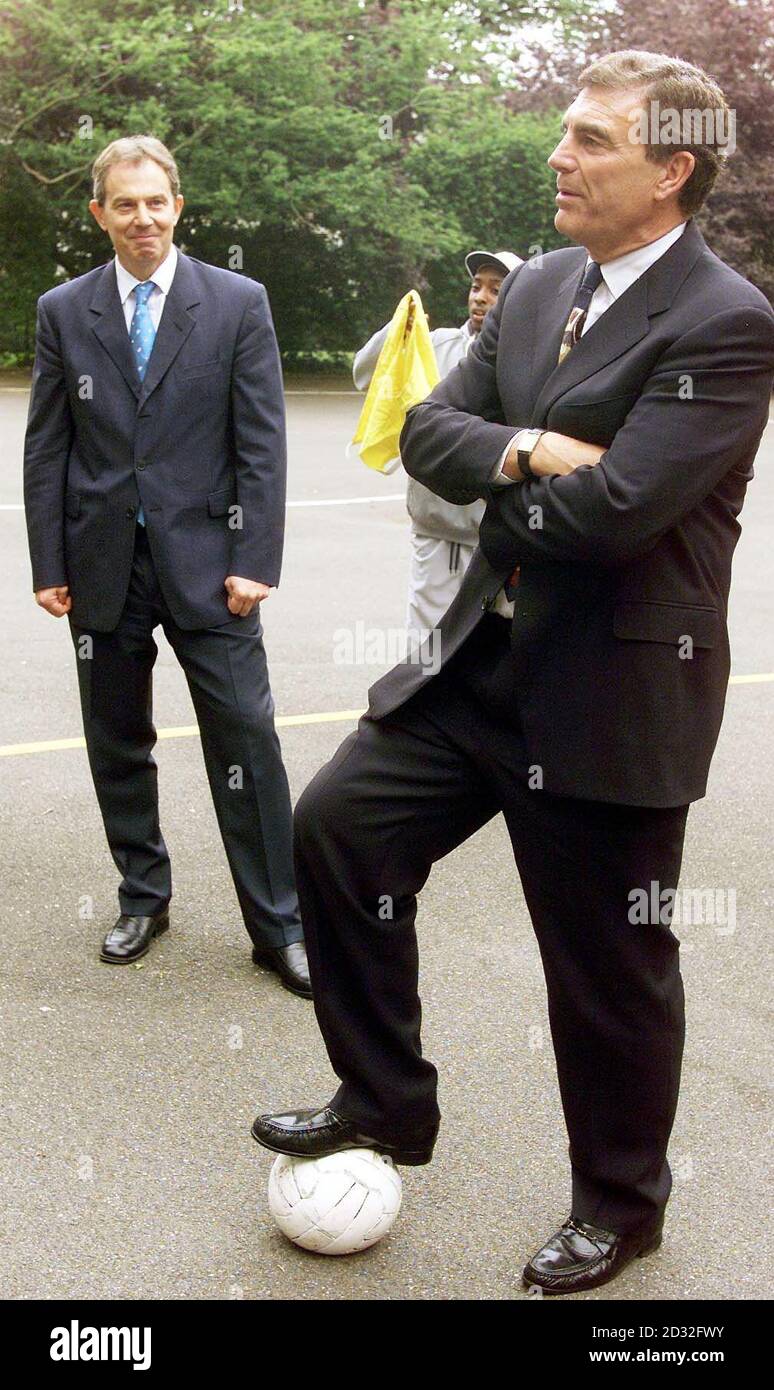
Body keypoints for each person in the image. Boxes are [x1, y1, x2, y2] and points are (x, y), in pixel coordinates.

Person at [252, 51, 774, 1291]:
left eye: (591, 139)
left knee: (606, 969)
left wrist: (507, 490)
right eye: (566, 133)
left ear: (671, 170)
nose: (559, 156)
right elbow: (429, 434)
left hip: (615, 688)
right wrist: (537, 448)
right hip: (484, 665)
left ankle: (621, 1206)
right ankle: (385, 1101)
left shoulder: (728, 322)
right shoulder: (540, 285)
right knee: (337, 830)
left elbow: (620, 518)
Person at [24, 135, 311, 998]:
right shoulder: (65, 311)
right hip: (102, 562)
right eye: (124, 204)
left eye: (156, 202)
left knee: (247, 741)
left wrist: (255, 557)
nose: (142, 218)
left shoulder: (236, 302)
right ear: (99, 214)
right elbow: (48, 446)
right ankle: (143, 898)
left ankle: (281, 924)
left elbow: (260, 440)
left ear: (177, 206)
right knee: (118, 740)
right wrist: (49, 561)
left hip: (213, 566)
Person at [353, 251, 520, 640]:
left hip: (497, 538)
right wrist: (398, 331)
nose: (481, 297)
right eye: (477, 286)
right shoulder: (437, 345)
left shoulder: (526, 359)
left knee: (490, 649)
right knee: (428, 652)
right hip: (438, 532)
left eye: (496, 290)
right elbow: (365, 374)